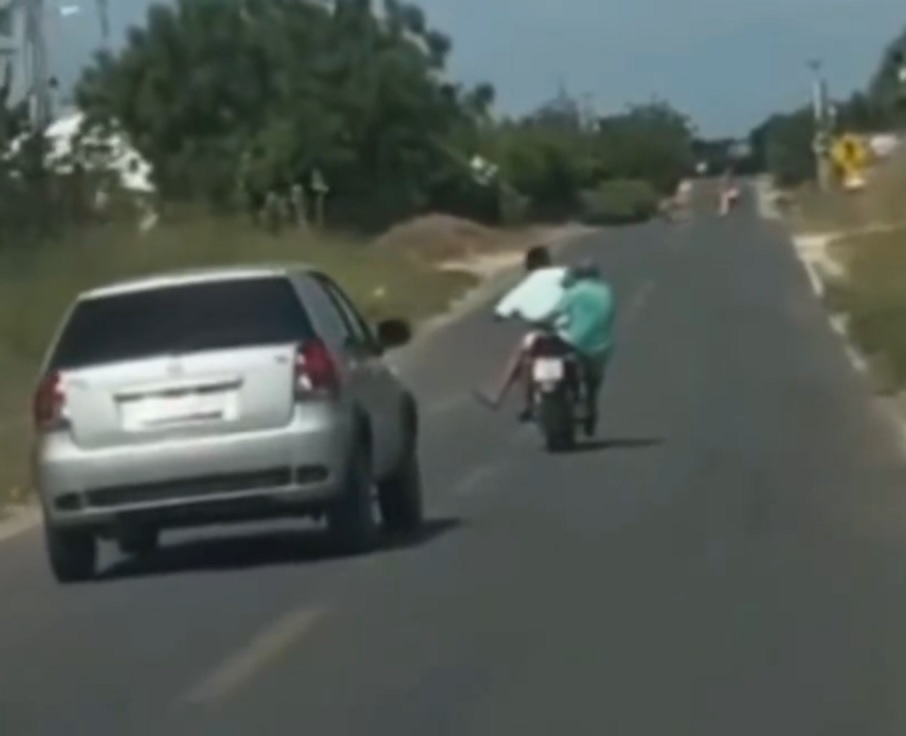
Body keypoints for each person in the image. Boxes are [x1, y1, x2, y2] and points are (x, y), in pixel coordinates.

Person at [475, 245, 568, 415]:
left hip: (540, 333)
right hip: (568, 328)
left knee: (521, 357)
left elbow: (499, 313)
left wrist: (506, 315)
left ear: (528, 266)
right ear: (547, 261)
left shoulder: (523, 286)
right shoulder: (564, 274)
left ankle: (501, 395)